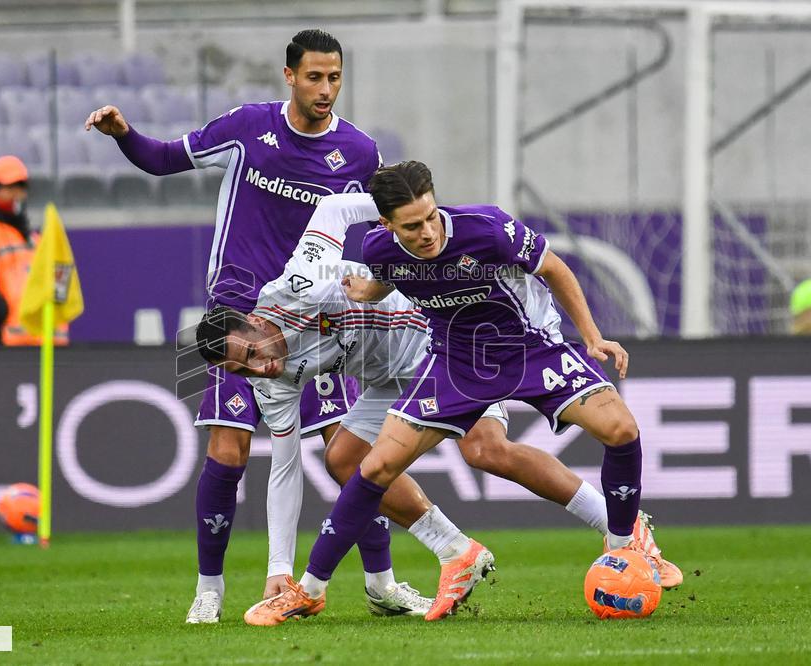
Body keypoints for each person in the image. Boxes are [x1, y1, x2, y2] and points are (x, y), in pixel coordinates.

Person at [194, 194, 680, 625]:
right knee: (345, 459)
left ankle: (626, 530)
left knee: (486, 449)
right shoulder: (272, 382)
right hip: (388, 379)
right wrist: (277, 567)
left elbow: (333, 208)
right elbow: (284, 469)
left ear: (257, 322)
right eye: (246, 371)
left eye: (254, 354)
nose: (263, 368)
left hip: (437, 348)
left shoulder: (300, 283)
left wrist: (395, 213)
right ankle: (455, 551)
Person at [85, 30, 386, 623]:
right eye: (314, 77)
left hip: (318, 318)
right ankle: (210, 590)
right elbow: (166, 157)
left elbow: (371, 231)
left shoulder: (359, 153)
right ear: (289, 76)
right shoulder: (249, 127)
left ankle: (382, 584)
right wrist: (125, 134)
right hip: (241, 318)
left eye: (334, 77)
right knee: (228, 449)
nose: (325, 89)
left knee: (349, 452)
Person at [0, 155, 66, 346]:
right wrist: (4, 312)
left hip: (40, 346)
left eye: (21, 187)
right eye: (9, 188)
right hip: (0, 346)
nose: (17, 194)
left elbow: (58, 284)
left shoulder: (32, 238)